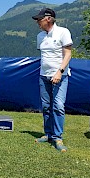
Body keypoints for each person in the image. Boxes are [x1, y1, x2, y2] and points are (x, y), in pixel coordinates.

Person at [32, 8, 72, 152]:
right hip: (43, 76)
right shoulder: (40, 36)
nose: (37, 22)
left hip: (60, 76)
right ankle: (48, 134)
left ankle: (58, 137)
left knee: (58, 106)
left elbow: (68, 54)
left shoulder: (63, 32)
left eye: (39, 19)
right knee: (46, 106)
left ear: (48, 19)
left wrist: (59, 72)